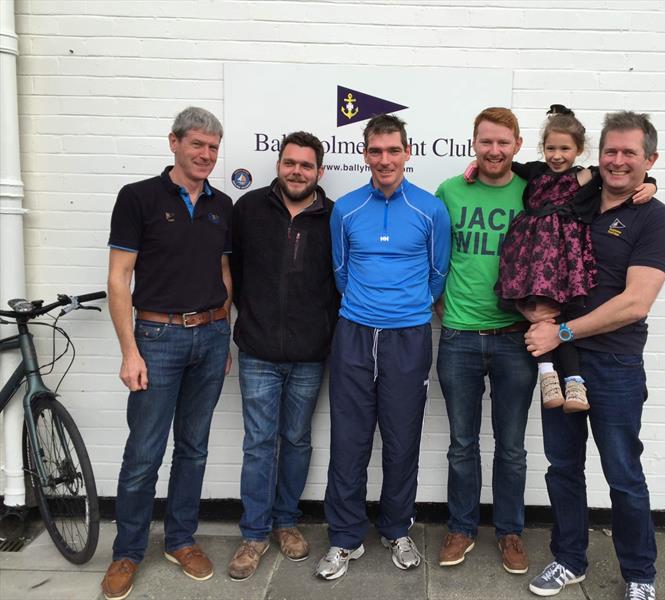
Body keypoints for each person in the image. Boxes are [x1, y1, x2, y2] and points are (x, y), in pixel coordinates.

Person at [525, 111, 665, 600]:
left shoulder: (656, 218)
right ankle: (569, 560)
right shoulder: (579, 202)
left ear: (649, 160)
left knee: (622, 473)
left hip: (612, 365)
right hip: (560, 362)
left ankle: (640, 574)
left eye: (630, 153)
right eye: (610, 151)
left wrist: (562, 331)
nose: (617, 161)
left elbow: (635, 303)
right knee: (562, 468)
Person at [103, 107, 233, 600]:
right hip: (156, 340)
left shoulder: (224, 205)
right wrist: (128, 351)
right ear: (174, 142)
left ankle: (180, 539)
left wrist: (224, 329)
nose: (206, 155)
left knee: (194, 447)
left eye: (214, 148)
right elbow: (119, 279)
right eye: (197, 144)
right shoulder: (138, 198)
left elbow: (224, 275)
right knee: (144, 452)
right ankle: (128, 552)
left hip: (211, 336)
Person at [315, 114, 451, 580]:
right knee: (348, 439)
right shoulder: (346, 209)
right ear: (365, 154)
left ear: (407, 153)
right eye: (376, 151)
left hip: (409, 337)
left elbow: (438, 274)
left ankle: (397, 529)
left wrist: (403, 307)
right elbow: (340, 270)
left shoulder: (430, 209)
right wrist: (369, 305)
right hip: (353, 334)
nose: (385, 159)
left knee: (401, 438)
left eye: (393, 150)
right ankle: (344, 538)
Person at [227, 131, 339, 580]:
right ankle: (254, 534)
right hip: (257, 350)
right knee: (259, 443)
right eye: (290, 162)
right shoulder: (248, 209)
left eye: (306, 165)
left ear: (319, 172)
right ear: (279, 163)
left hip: (311, 353)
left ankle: (286, 521)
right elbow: (231, 272)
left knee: (296, 440)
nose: (297, 171)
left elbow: (338, 279)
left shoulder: (334, 217)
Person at [495, 105, 655, 413]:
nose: (556, 155)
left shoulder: (588, 177)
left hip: (562, 261)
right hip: (531, 257)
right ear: (542, 148)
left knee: (559, 316)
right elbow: (504, 166)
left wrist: (651, 183)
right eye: (551, 148)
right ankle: (548, 377)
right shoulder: (535, 171)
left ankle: (574, 382)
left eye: (565, 148)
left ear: (580, 150)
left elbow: (634, 176)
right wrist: (473, 166)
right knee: (541, 315)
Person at [434, 107, 537, 575]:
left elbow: (586, 178)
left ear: (517, 144)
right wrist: (439, 302)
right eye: (485, 142)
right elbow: (433, 254)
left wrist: (650, 186)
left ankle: (510, 531)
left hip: (516, 337)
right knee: (462, 443)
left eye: (503, 142)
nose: (494, 151)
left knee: (511, 446)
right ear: (473, 143)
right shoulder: (451, 191)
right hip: (458, 336)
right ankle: (461, 527)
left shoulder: (533, 193)